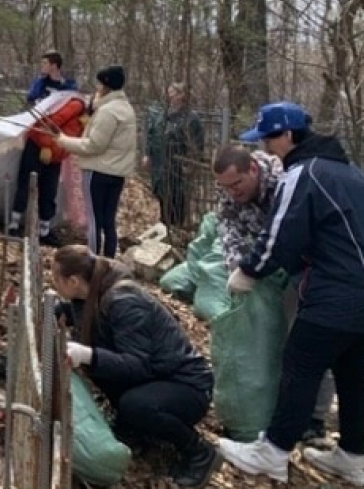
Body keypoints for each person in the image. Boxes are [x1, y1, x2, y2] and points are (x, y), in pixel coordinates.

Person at [217, 102, 364, 485]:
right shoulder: (349, 173)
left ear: (287, 135)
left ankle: (273, 451)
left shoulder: (303, 172)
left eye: (267, 138)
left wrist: (248, 271)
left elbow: (280, 235)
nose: (265, 147)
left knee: (299, 366)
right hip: (358, 293)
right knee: (353, 373)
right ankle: (354, 454)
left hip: (334, 291)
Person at [52, 245, 220, 487]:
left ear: (74, 281)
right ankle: (136, 428)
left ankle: (199, 451)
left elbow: (136, 364)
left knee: (135, 404)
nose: (54, 283)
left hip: (187, 386)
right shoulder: (92, 293)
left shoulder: (124, 302)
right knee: (103, 368)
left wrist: (87, 354)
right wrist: (60, 310)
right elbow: (85, 315)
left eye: (56, 279)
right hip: (158, 376)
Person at [211, 143, 336, 442]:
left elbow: (291, 233)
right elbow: (228, 228)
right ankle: (276, 409)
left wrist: (256, 267)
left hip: (311, 266)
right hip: (266, 266)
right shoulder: (228, 190)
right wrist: (236, 267)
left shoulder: (287, 182)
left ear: (252, 168)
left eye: (237, 184)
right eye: (225, 187)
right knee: (272, 339)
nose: (232, 193)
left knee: (307, 340)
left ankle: (315, 419)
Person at [54, 65, 137, 258]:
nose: (97, 89)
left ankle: (93, 261)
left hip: (97, 172)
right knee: (108, 221)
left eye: (99, 85)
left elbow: (94, 145)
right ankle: (108, 259)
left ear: (106, 86)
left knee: (94, 220)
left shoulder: (108, 111)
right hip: (116, 174)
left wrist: (64, 141)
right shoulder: (126, 108)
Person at [10, 50, 78, 240]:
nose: (42, 67)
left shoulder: (69, 87)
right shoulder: (40, 84)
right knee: (25, 181)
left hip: (56, 146)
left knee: (49, 187)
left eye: (45, 63)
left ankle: (44, 230)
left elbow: (72, 113)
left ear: (54, 65)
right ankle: (14, 223)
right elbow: (31, 102)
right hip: (36, 140)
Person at [144, 82, 205, 229]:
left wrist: (191, 164)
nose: (170, 95)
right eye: (169, 92)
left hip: (177, 168)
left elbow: (197, 144)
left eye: (174, 92)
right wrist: (147, 154)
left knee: (176, 202)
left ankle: (175, 229)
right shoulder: (163, 115)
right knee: (159, 198)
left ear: (183, 95)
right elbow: (152, 135)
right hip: (159, 165)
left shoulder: (191, 118)